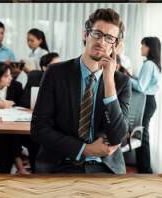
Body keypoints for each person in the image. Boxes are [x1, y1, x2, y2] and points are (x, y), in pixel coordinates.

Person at [31, 8, 132, 174]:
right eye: (97, 34)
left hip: (104, 166)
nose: (102, 42)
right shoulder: (56, 73)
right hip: (61, 162)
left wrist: (108, 80)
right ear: (85, 35)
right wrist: (85, 149)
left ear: (115, 45)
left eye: (109, 38)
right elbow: (39, 129)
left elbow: (117, 137)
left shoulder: (121, 82)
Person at [130, 37, 161, 174]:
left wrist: (126, 78)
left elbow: (141, 87)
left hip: (146, 101)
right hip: (150, 101)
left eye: (143, 45)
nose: (141, 48)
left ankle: (145, 170)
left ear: (149, 47)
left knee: (141, 134)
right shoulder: (154, 64)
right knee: (142, 133)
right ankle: (144, 168)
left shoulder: (148, 64)